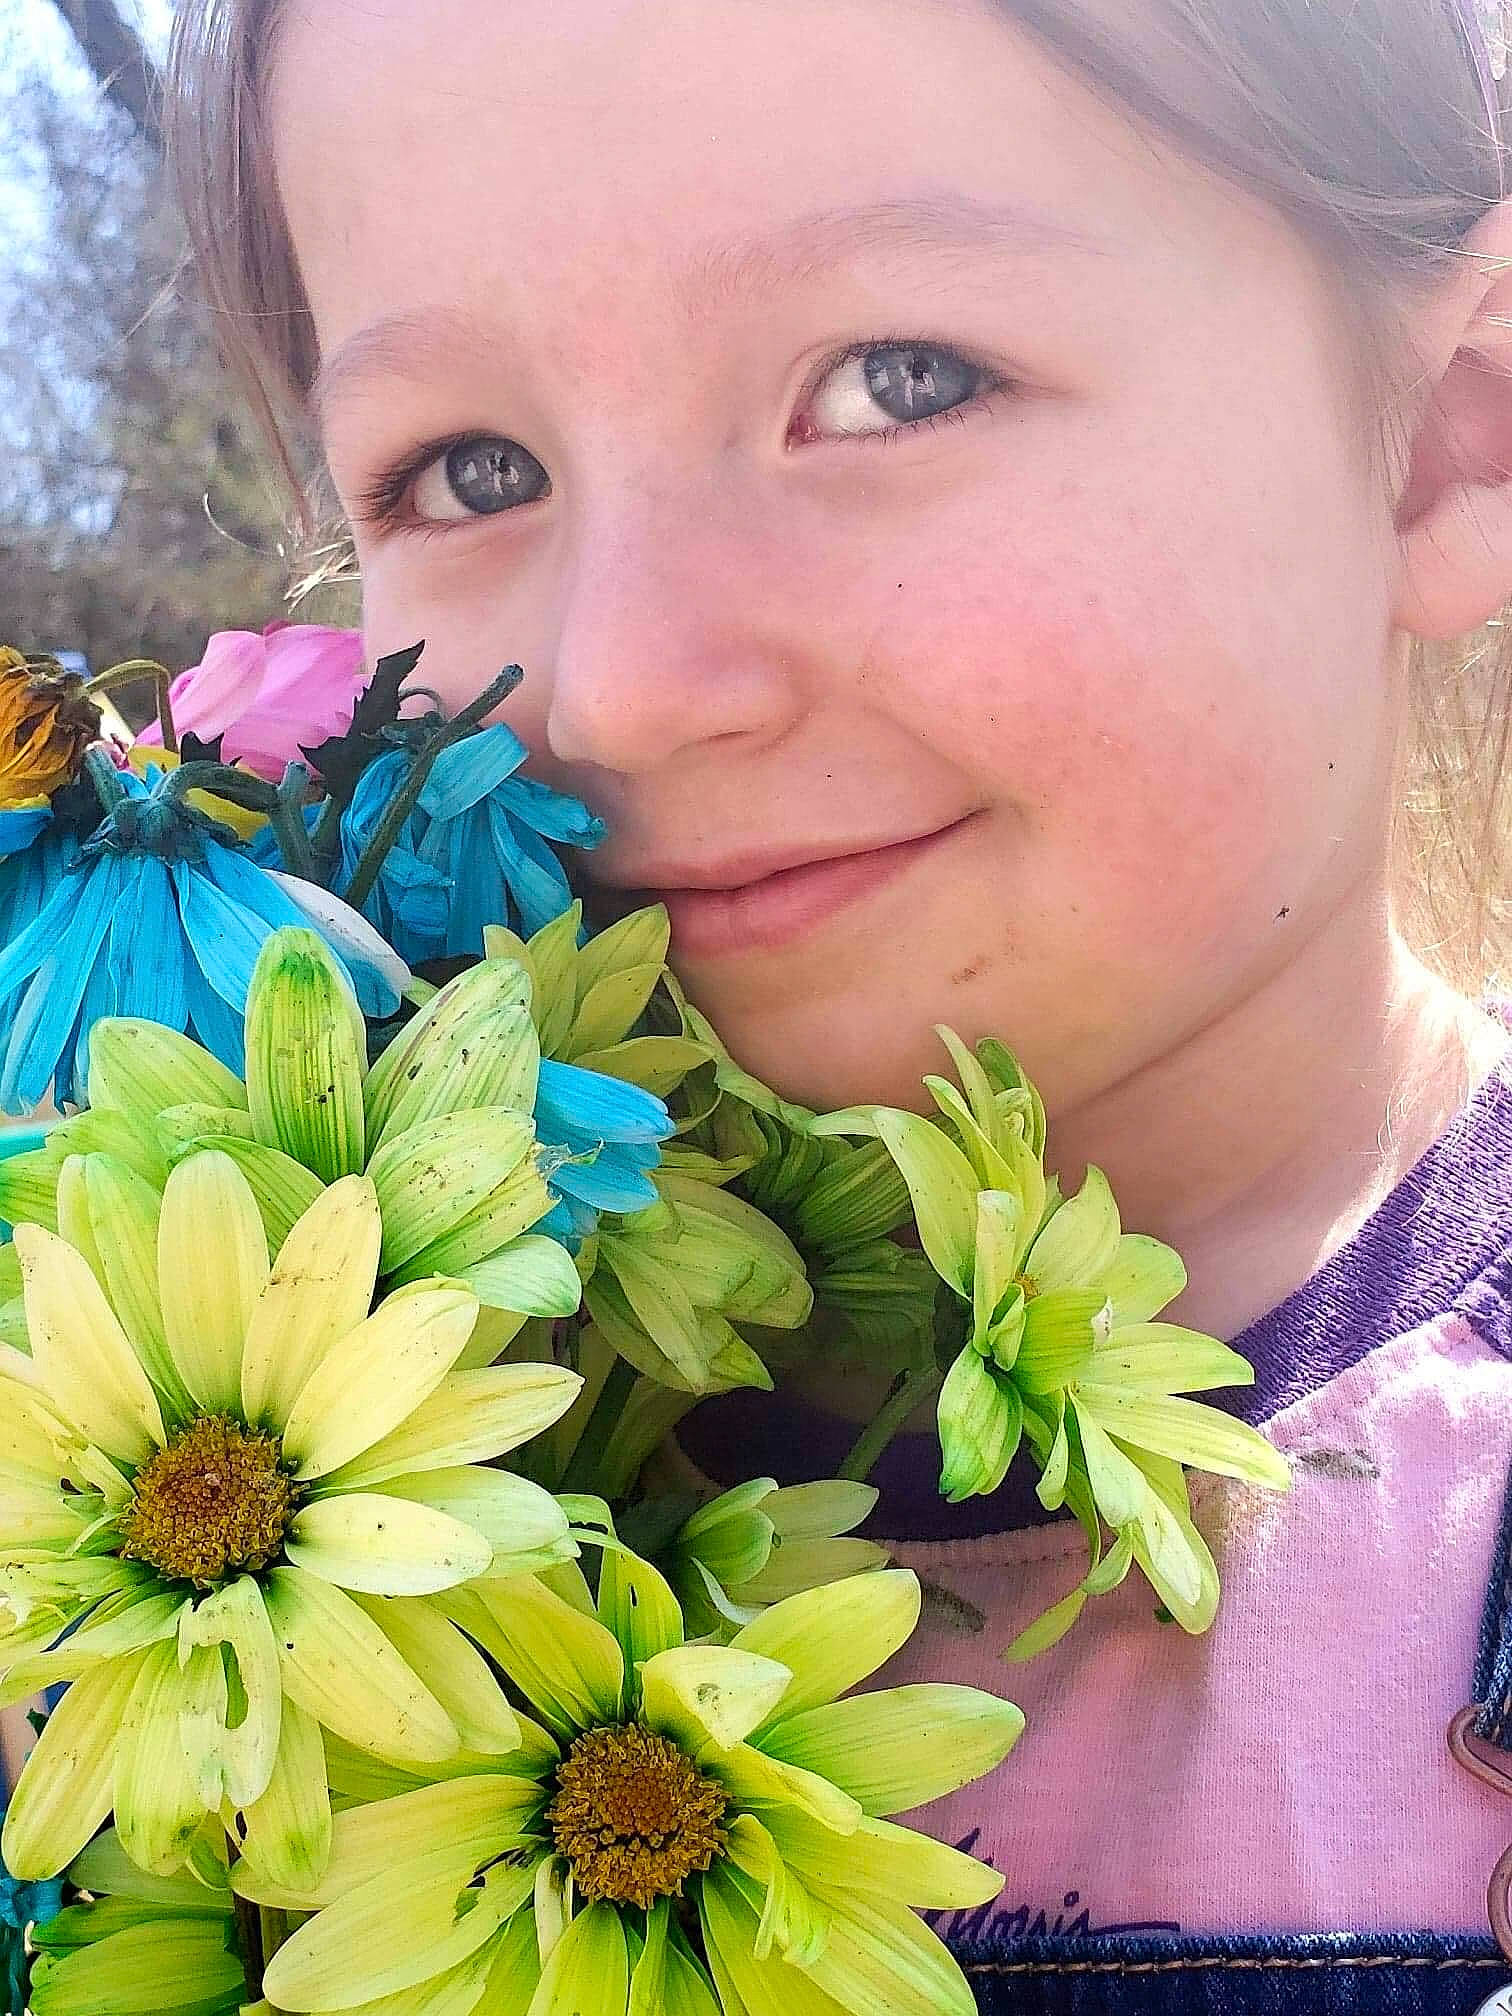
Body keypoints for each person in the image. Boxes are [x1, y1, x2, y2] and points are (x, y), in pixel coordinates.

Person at [163, 0, 1512, 2007]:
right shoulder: (229, 1443)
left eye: (897, 382)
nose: (618, 682)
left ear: (1444, 444)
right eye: (471, 464)